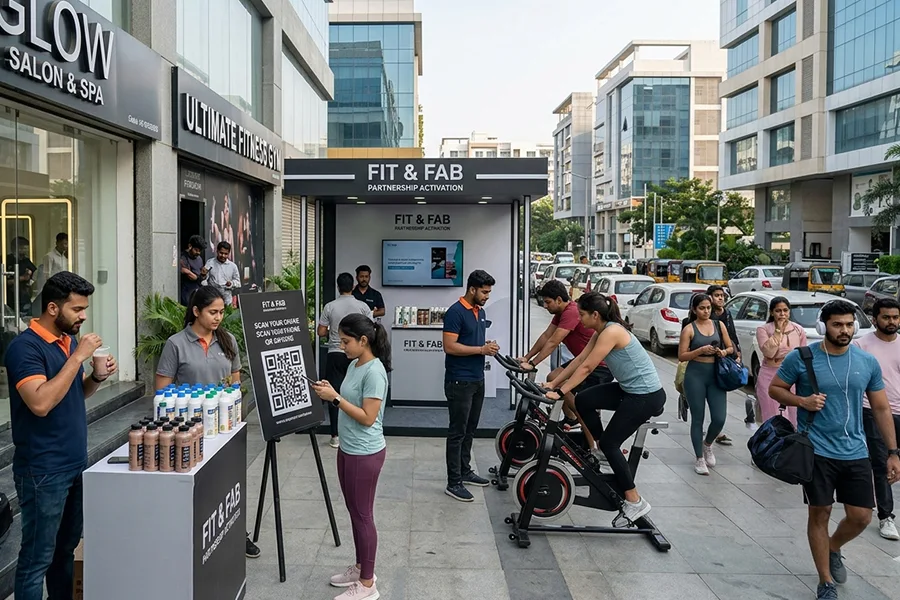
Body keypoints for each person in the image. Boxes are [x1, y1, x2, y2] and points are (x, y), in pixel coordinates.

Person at [770, 300, 900, 600]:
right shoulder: (802, 358)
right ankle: (825, 582)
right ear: (823, 326)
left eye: (849, 325)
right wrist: (802, 402)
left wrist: (893, 452)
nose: (844, 330)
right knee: (820, 512)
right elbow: (775, 388)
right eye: (837, 324)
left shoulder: (866, 361)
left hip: (856, 450)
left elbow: (880, 408)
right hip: (816, 450)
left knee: (861, 516)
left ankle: (833, 547)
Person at [6, 272, 118, 600]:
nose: (83, 316)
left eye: (85, 309)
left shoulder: (68, 341)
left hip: (74, 463)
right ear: (53, 308)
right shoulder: (23, 348)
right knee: (36, 558)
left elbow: (70, 393)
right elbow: (40, 402)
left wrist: (95, 378)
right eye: (77, 309)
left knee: (65, 550)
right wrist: (78, 357)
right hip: (42, 470)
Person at [154, 286, 260, 559]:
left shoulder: (228, 341)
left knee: (227, 480)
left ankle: (237, 533)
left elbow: (235, 379)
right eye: (212, 312)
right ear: (196, 311)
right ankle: (190, 537)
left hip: (223, 426)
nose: (218, 318)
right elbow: (162, 390)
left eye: (222, 312)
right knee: (196, 484)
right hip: (189, 429)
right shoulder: (176, 344)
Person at [544, 292, 665, 523]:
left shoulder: (612, 332)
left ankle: (635, 500)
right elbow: (579, 360)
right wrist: (553, 383)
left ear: (595, 315)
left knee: (612, 443)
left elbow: (588, 367)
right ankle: (602, 451)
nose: (579, 319)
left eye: (582, 315)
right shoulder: (602, 330)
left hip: (646, 396)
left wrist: (559, 392)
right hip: (630, 390)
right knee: (584, 400)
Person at [311, 314, 390, 600]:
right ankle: (360, 568)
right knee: (355, 512)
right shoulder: (356, 364)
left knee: (363, 515)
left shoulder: (374, 372)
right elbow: (348, 400)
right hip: (349, 448)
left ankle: (368, 585)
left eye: (346, 341)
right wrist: (331, 392)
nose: (341, 346)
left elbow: (369, 418)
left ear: (363, 341)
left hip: (365, 452)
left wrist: (334, 398)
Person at [519, 279, 612, 448]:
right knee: (552, 377)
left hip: (600, 367)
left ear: (559, 300)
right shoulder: (559, 314)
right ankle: (571, 418)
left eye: (548, 302)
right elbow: (546, 336)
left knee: (565, 389)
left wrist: (533, 364)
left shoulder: (570, 312)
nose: (545, 306)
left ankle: (588, 434)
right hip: (582, 359)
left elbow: (554, 342)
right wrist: (527, 358)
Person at [442, 269, 498, 502]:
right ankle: (453, 482)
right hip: (459, 381)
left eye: (489, 292)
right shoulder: (455, 312)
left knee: (470, 429)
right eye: (484, 292)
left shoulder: (480, 311)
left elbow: (470, 341)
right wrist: (481, 350)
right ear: (472, 289)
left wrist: (486, 345)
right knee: (457, 432)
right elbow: (450, 346)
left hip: (477, 379)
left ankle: (465, 471)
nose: (487, 296)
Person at [854, 298, 900, 541]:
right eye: (886, 317)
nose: (891, 321)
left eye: (895, 317)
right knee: (883, 463)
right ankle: (886, 516)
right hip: (872, 411)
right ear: (875, 320)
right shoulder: (862, 346)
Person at [677, 293, 734, 476]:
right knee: (698, 417)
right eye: (702, 308)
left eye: (708, 308)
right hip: (695, 375)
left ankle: (707, 444)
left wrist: (724, 352)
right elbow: (681, 356)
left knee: (719, 418)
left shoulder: (719, 325)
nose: (706, 311)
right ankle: (699, 457)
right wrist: (700, 350)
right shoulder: (689, 329)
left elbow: (731, 347)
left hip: (716, 375)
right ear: (694, 309)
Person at [317, 273, 374, 449]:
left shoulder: (330, 306)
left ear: (338, 287)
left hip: (335, 353)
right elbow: (371, 330)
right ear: (353, 285)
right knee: (356, 393)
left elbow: (321, 332)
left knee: (334, 394)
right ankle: (353, 431)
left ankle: (335, 435)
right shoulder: (363, 306)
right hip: (357, 355)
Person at [756, 296, 807, 427]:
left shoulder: (798, 329)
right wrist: (778, 331)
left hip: (793, 375)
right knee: (772, 413)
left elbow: (803, 354)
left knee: (794, 413)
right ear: (772, 312)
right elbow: (769, 352)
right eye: (778, 311)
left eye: (785, 310)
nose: (782, 314)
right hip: (770, 374)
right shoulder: (764, 329)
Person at [203, 241, 241, 305]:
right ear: (217, 251)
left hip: (227, 299)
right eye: (221, 253)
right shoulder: (210, 263)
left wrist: (231, 284)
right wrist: (203, 276)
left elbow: (238, 283)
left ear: (229, 253)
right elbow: (204, 281)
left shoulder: (233, 266)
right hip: (212, 298)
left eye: (226, 254)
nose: (223, 256)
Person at [6, 236, 37, 315]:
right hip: (9, 296)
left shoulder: (26, 260)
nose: (25, 251)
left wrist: (30, 276)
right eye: (23, 248)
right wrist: (22, 278)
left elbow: (35, 273)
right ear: (15, 248)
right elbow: (5, 281)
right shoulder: (7, 260)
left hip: (24, 296)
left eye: (26, 248)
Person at [179, 235, 206, 306]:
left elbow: (200, 277)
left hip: (197, 291)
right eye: (196, 250)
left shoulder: (199, 259)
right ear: (190, 246)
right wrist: (195, 276)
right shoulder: (183, 257)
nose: (198, 253)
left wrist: (202, 275)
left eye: (200, 251)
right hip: (186, 292)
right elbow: (191, 277)